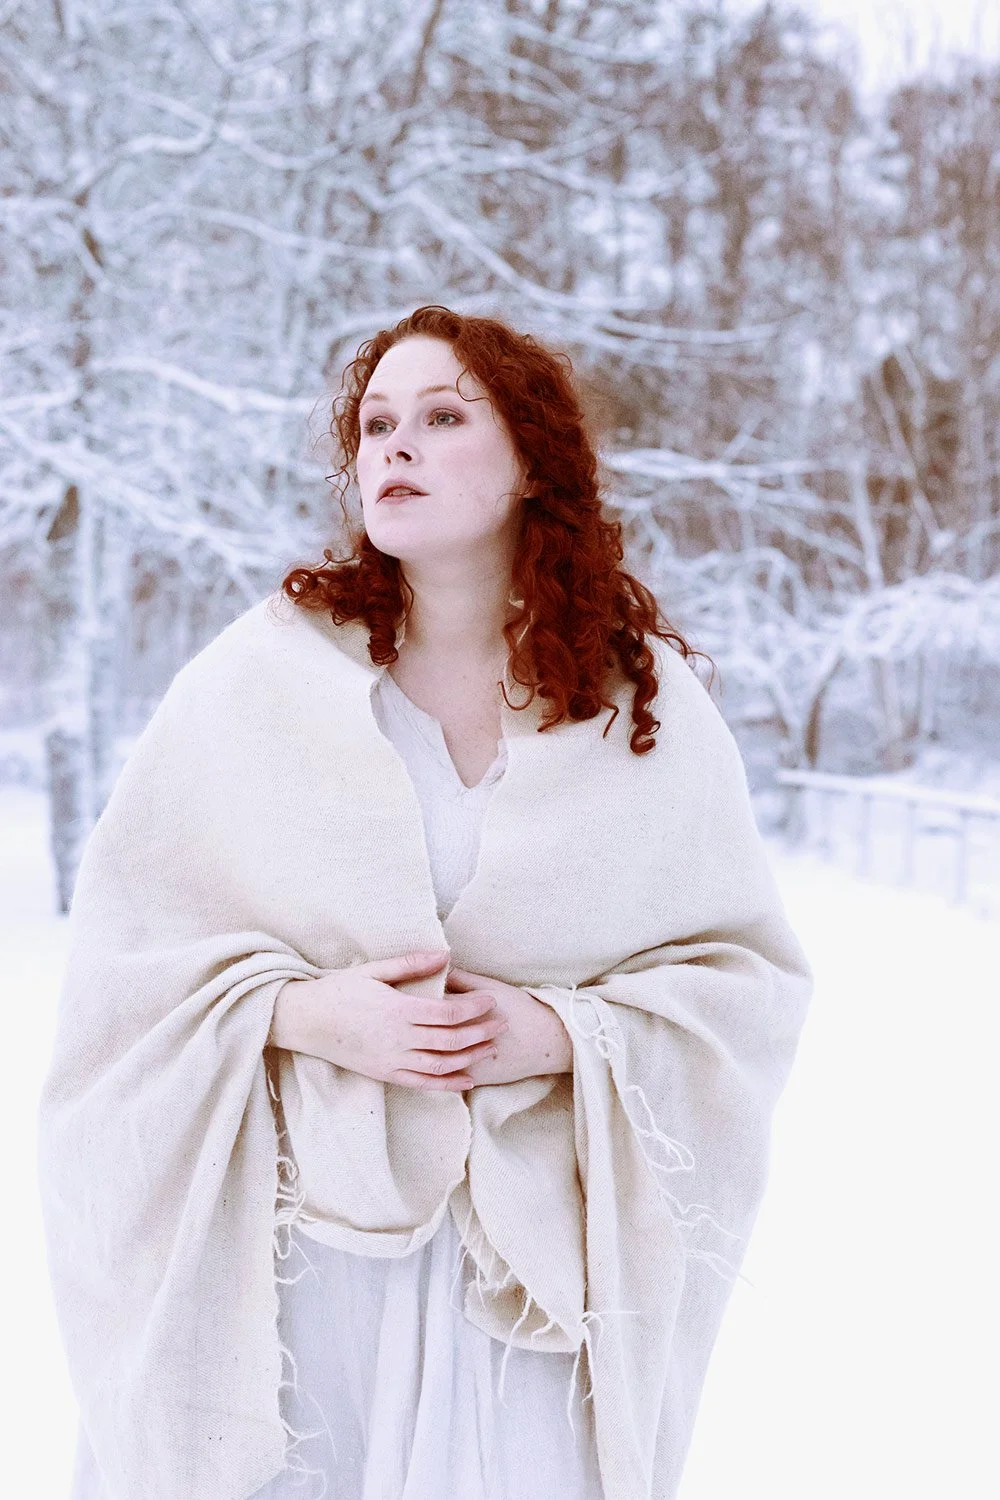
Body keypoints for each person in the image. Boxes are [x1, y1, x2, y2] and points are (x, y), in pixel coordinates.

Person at [39, 304, 813, 1500]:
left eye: (444, 417)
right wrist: (305, 1015)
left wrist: (555, 1033)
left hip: (523, 1288)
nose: (394, 446)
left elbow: (742, 985)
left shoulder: (635, 701)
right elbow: (127, 964)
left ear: (528, 466)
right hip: (299, 1269)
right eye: (377, 423)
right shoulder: (259, 679)